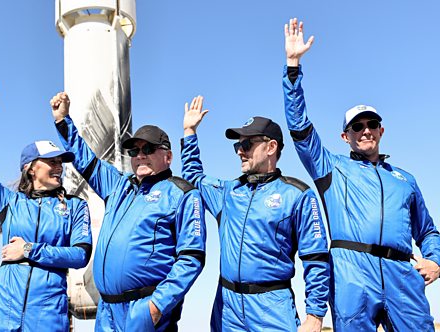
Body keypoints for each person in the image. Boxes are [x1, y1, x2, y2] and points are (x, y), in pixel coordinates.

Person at [283, 18, 440, 331]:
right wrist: (293, 66)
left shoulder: (404, 179)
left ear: (381, 130)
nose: (365, 130)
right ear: (345, 136)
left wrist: (435, 259)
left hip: (402, 277)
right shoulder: (330, 167)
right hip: (351, 276)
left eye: (371, 125)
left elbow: (427, 230)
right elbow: (299, 127)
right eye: (357, 126)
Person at [50, 92, 207, 331]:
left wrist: (157, 306)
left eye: (149, 149)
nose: (140, 155)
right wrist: (63, 121)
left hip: (144, 310)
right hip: (107, 313)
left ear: (168, 156)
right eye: (134, 151)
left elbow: (192, 258)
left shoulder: (182, 194)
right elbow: (84, 158)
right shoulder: (117, 185)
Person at [182, 96, 330, 332]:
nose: (240, 151)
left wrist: (315, 314)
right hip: (226, 308)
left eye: (247, 145)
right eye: (237, 146)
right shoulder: (227, 193)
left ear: (271, 147)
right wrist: (190, 132)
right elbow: (193, 178)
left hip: (272, 308)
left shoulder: (298, 195)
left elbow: (316, 258)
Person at [0, 86, 92, 332]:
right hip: (0, 315)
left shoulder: (76, 206)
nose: (59, 167)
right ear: (30, 168)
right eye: (52, 161)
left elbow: (79, 256)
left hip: (47, 318)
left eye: (61, 162)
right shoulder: (9, 203)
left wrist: (28, 249)